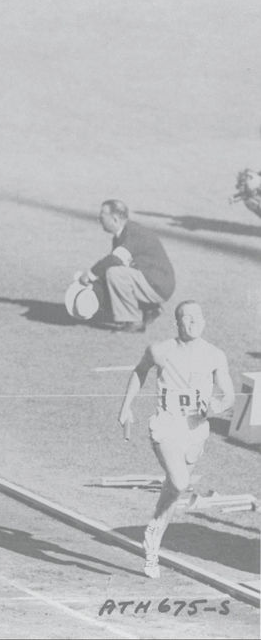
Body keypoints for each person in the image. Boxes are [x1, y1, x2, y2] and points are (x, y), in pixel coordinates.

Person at [116, 300, 235, 579]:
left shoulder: (215, 355)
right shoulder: (161, 351)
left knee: (172, 491)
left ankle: (154, 539)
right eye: (186, 318)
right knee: (180, 482)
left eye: (197, 317)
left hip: (196, 428)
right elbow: (139, 371)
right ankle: (154, 532)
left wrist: (215, 407)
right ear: (177, 323)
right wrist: (126, 407)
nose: (193, 322)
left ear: (204, 322)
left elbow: (228, 395)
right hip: (167, 425)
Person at [78, 199, 175, 333]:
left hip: (158, 285)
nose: (99, 220)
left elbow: (114, 260)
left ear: (115, 219)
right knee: (110, 276)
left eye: (102, 217)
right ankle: (149, 308)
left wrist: (90, 274)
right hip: (151, 280)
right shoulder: (121, 235)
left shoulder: (134, 234)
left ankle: (134, 321)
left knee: (114, 274)